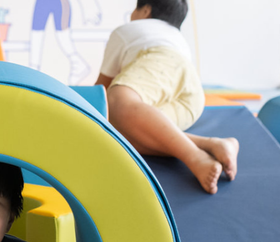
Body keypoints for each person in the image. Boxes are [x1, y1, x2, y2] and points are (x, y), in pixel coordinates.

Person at [96, 0, 239, 194]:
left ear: (146, 10)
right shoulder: (177, 38)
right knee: (121, 132)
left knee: (116, 102)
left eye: (135, 9)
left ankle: (195, 157)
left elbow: (101, 91)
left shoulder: (129, 30)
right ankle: (211, 144)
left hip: (161, 62)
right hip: (192, 98)